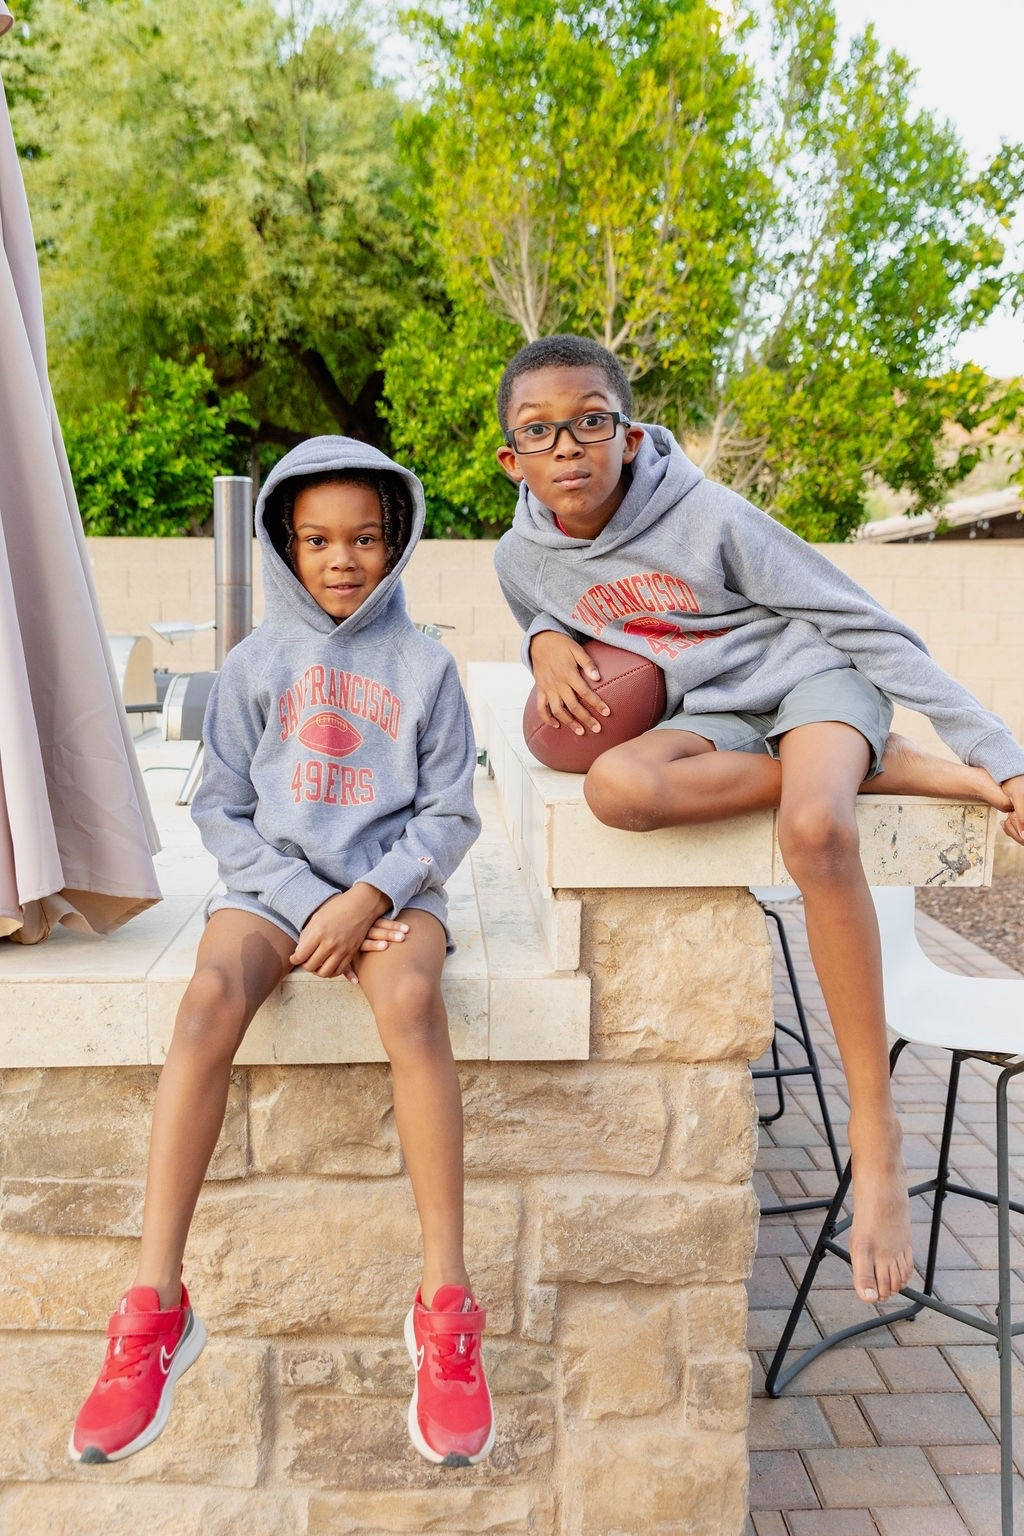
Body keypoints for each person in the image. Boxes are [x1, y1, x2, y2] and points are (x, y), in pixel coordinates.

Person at [493, 334, 1024, 1308]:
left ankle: (874, 1133)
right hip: (711, 719)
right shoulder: (520, 556)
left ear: (628, 430)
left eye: (590, 423)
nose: (568, 447)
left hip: (811, 680)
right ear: (511, 458)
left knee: (815, 833)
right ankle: (883, 769)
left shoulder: (708, 514)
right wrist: (541, 645)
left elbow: (861, 623)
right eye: (541, 432)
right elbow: (540, 606)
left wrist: (997, 750)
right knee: (618, 791)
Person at [69, 438, 494, 1469]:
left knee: (411, 1009)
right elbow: (218, 809)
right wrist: (311, 903)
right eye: (316, 539)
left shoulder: (426, 666)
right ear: (283, 546)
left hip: (394, 898)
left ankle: (444, 1307)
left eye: (362, 537)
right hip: (272, 894)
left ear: (395, 540)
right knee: (209, 998)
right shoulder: (254, 667)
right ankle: (154, 1310)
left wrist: (369, 897)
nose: (340, 558)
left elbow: (449, 813)